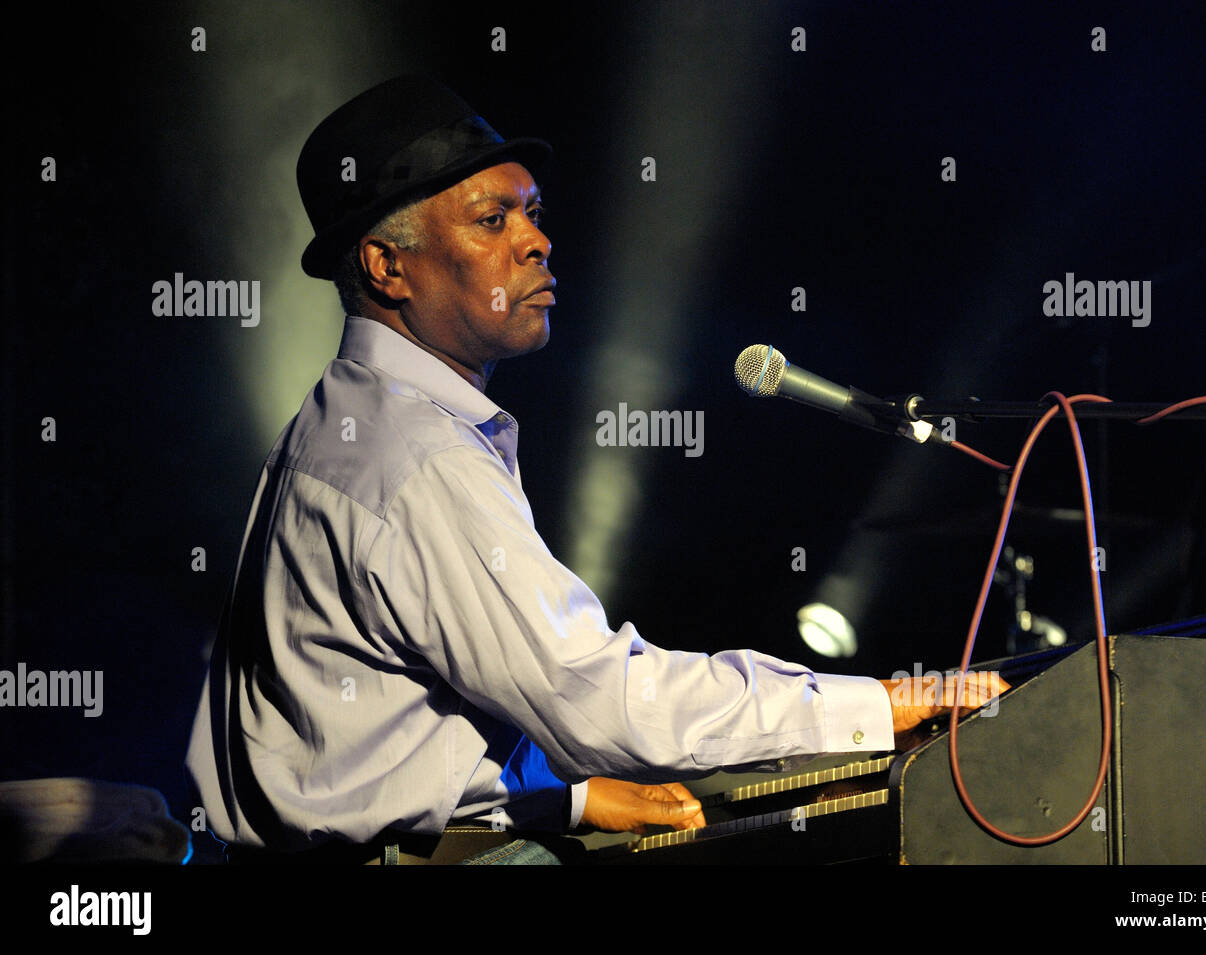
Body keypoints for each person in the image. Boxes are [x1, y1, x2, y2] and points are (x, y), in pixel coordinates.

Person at [184, 75, 1003, 865]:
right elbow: (597, 699)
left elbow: (364, 740)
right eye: (492, 219)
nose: (536, 240)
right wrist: (877, 706)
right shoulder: (415, 458)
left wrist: (565, 799)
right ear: (387, 267)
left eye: (532, 212)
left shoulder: (341, 421)